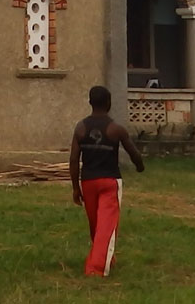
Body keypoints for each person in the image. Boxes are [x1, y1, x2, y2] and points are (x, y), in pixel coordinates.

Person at [69, 85, 146, 278]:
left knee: (96, 225)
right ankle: (96, 268)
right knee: (106, 225)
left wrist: (75, 188)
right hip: (110, 181)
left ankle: (105, 257)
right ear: (109, 103)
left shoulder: (80, 128)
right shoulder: (115, 129)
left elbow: (73, 159)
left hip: (88, 182)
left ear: (90, 102)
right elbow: (133, 153)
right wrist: (140, 166)